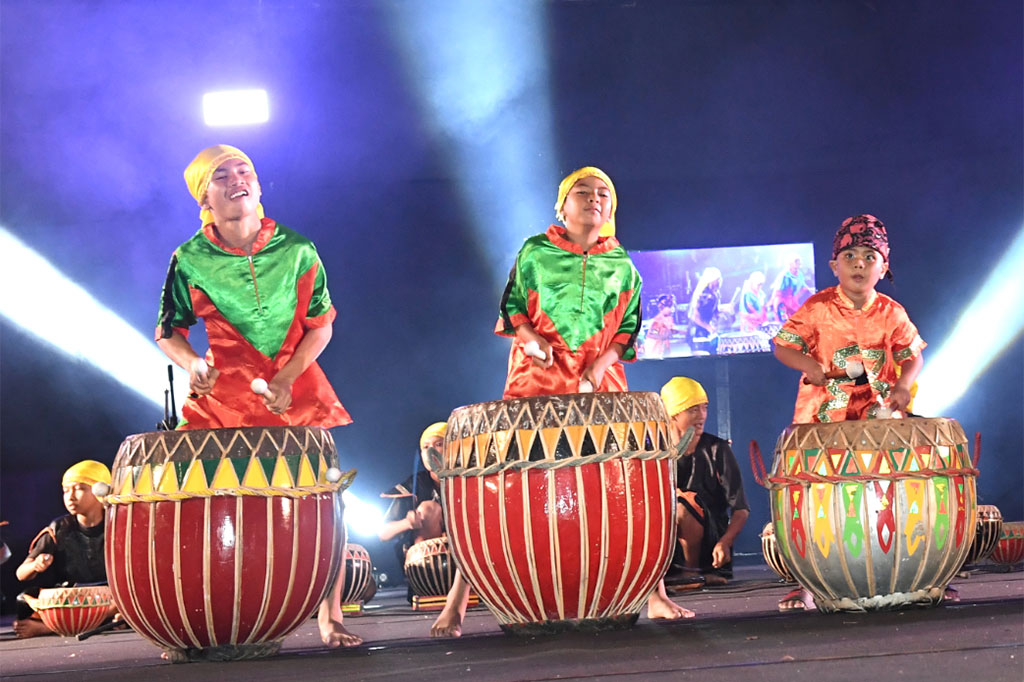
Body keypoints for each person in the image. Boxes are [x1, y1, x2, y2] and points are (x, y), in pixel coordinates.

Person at [431, 167, 690, 638]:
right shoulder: (536, 252)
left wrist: (602, 361)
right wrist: (529, 338)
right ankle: (457, 605)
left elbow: (629, 328)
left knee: (620, 487)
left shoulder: (623, 265)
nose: (594, 200)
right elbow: (511, 305)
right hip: (537, 379)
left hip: (601, 382)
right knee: (507, 490)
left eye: (603, 194)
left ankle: (655, 595)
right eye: (583, 193)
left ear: (611, 208)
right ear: (562, 207)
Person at [155, 145, 359, 647]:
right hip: (223, 396)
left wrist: (288, 377)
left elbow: (321, 325)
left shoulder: (297, 249)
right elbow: (167, 330)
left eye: (244, 170)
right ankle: (200, 616)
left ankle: (330, 618)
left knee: (323, 505)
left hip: (296, 388)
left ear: (259, 185)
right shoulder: (189, 258)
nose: (236, 180)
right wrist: (194, 365)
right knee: (196, 502)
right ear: (204, 195)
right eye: (221, 175)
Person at [772, 214, 925, 609]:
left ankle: (919, 573)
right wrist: (807, 365)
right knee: (814, 500)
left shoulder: (892, 312)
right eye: (851, 255)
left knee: (897, 491)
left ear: (884, 266)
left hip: (879, 419)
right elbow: (783, 345)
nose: (860, 262)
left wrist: (905, 385)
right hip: (822, 421)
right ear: (833, 266)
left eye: (870, 256)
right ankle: (805, 583)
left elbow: (912, 356)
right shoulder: (817, 308)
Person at [661, 378, 750, 588]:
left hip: (710, 545)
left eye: (704, 408)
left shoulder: (717, 449)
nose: (701, 415)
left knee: (684, 503)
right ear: (674, 414)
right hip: (667, 541)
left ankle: (690, 573)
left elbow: (741, 509)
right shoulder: (656, 451)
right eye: (692, 409)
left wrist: (725, 542)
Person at [13, 461, 117, 639]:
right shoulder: (59, 528)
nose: (70, 496)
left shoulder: (119, 525)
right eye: (66, 490)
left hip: (111, 595)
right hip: (73, 597)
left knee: (129, 602)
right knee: (24, 598)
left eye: (80, 488)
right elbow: (21, 574)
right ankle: (105, 622)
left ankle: (49, 627)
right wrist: (35, 565)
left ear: (101, 491)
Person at [379, 422, 447, 571]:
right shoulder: (414, 485)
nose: (431, 451)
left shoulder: (470, 481)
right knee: (429, 509)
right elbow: (383, 533)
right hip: (428, 565)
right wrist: (407, 523)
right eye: (426, 447)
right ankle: (428, 576)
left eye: (439, 444)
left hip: (464, 555)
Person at [687, 267, 726, 354]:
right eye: (717, 279)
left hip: (708, 332)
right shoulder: (701, 295)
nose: (720, 281)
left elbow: (713, 311)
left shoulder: (716, 294)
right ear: (711, 280)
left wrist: (720, 314)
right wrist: (707, 327)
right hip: (698, 333)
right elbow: (694, 316)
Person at [768, 254, 814, 323]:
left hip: (792, 301)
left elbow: (803, 285)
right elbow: (777, 290)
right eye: (795, 262)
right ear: (790, 263)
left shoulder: (800, 274)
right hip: (782, 301)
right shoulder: (785, 275)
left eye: (798, 262)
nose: (797, 264)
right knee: (784, 322)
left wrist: (811, 291)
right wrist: (771, 302)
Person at [644, 294, 677, 359]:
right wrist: (662, 337)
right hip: (656, 349)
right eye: (666, 305)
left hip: (664, 348)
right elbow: (651, 334)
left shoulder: (669, 318)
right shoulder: (658, 319)